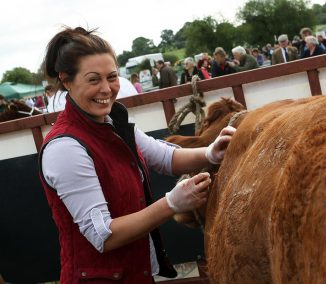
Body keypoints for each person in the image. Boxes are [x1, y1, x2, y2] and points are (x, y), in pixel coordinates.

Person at [39, 26, 237, 283]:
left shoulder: (112, 123)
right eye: (93, 79)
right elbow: (104, 236)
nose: (106, 89)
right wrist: (172, 204)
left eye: (112, 77)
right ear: (66, 81)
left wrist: (211, 153)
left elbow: (165, 158)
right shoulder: (65, 148)